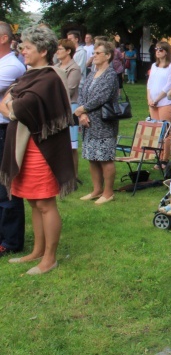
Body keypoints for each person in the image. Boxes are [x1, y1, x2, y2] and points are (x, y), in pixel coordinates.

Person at [0, 25, 74, 274]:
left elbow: (17, 109)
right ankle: (37, 251)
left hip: (43, 150)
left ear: (43, 50)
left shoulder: (50, 77)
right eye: (21, 47)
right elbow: (10, 104)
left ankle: (50, 258)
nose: (23, 52)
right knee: (33, 202)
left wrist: (9, 105)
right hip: (26, 147)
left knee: (45, 203)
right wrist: (10, 105)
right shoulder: (32, 75)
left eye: (28, 47)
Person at [75, 40, 120, 205]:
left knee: (105, 157)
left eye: (97, 53)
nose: (94, 56)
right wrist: (82, 113)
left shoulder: (110, 75)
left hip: (103, 122)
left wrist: (83, 109)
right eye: (93, 53)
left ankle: (108, 192)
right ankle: (96, 189)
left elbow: (102, 97)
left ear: (107, 56)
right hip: (88, 121)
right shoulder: (92, 72)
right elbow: (83, 93)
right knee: (92, 157)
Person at [0, 22, 26, 258]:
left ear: (4, 39)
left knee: (6, 186)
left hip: (4, 130)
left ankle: (11, 240)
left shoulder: (11, 66)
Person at [55, 39, 82, 182]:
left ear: (68, 51)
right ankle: (60, 173)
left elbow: (69, 89)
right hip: (56, 106)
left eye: (60, 49)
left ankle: (74, 175)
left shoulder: (74, 68)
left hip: (70, 107)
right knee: (58, 141)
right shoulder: (56, 66)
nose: (57, 51)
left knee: (71, 145)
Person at [147, 41, 171, 166]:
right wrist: (149, 99)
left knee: (166, 130)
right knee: (156, 130)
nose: (158, 52)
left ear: (166, 52)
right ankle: (157, 156)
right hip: (153, 102)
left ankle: (165, 158)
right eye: (156, 49)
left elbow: (169, 85)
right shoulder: (154, 65)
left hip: (165, 102)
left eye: (161, 50)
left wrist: (157, 99)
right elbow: (149, 83)